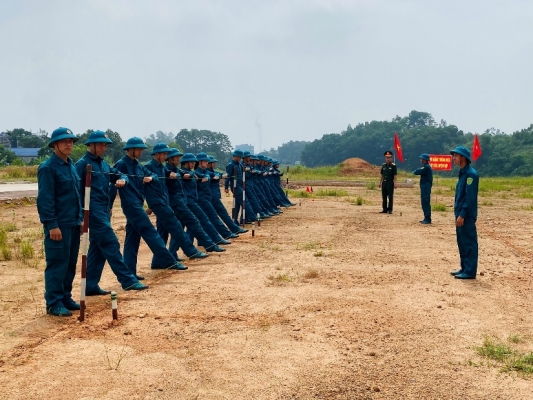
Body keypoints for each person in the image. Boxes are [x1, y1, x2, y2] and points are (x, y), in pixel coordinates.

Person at [76, 131, 148, 295]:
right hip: (92, 211)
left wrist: (123, 179)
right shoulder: (82, 164)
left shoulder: (103, 164)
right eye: (101, 145)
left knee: (99, 247)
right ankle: (128, 280)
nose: (104, 148)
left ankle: (90, 285)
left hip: (104, 210)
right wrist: (80, 216)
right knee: (111, 243)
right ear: (91, 145)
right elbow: (76, 191)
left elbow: (119, 174)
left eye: (105, 145)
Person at [113, 137, 186, 278]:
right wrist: (109, 206)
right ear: (131, 150)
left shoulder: (138, 165)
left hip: (138, 202)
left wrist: (151, 178)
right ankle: (168, 260)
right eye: (139, 149)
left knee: (132, 240)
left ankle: (130, 272)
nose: (141, 152)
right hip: (130, 204)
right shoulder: (121, 164)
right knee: (150, 231)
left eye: (142, 149)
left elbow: (152, 175)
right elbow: (112, 185)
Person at [37, 127, 82, 317]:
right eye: (64, 141)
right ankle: (54, 302)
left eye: (71, 141)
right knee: (57, 263)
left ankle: (65, 296)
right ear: (55, 144)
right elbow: (45, 199)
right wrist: (52, 224)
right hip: (59, 224)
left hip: (73, 222)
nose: (68, 144)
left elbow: (76, 195)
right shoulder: (48, 167)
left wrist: (79, 221)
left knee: (70, 262)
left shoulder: (71, 165)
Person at [144, 143, 208, 266]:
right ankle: (191, 251)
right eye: (163, 153)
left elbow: (172, 174)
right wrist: (150, 205)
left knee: (162, 232)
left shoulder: (162, 167)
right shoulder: (149, 166)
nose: (165, 156)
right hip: (158, 202)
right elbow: (146, 181)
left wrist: (175, 175)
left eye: (166, 154)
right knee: (176, 226)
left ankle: (157, 261)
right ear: (156, 154)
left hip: (164, 201)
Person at [449, 146, 479, 279]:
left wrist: (462, 214)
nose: (454, 158)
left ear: (463, 158)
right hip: (460, 213)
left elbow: (469, 197)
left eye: (456, 156)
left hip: (465, 215)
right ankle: (464, 267)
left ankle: (470, 271)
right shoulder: (462, 173)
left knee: (469, 242)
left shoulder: (470, 174)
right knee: (461, 241)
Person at [413, 153, 433, 224]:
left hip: (426, 187)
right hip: (425, 186)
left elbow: (416, 172)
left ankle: (427, 218)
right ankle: (426, 217)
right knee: (424, 202)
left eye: (421, 159)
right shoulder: (426, 167)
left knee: (425, 202)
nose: (420, 160)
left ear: (424, 160)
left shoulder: (426, 167)